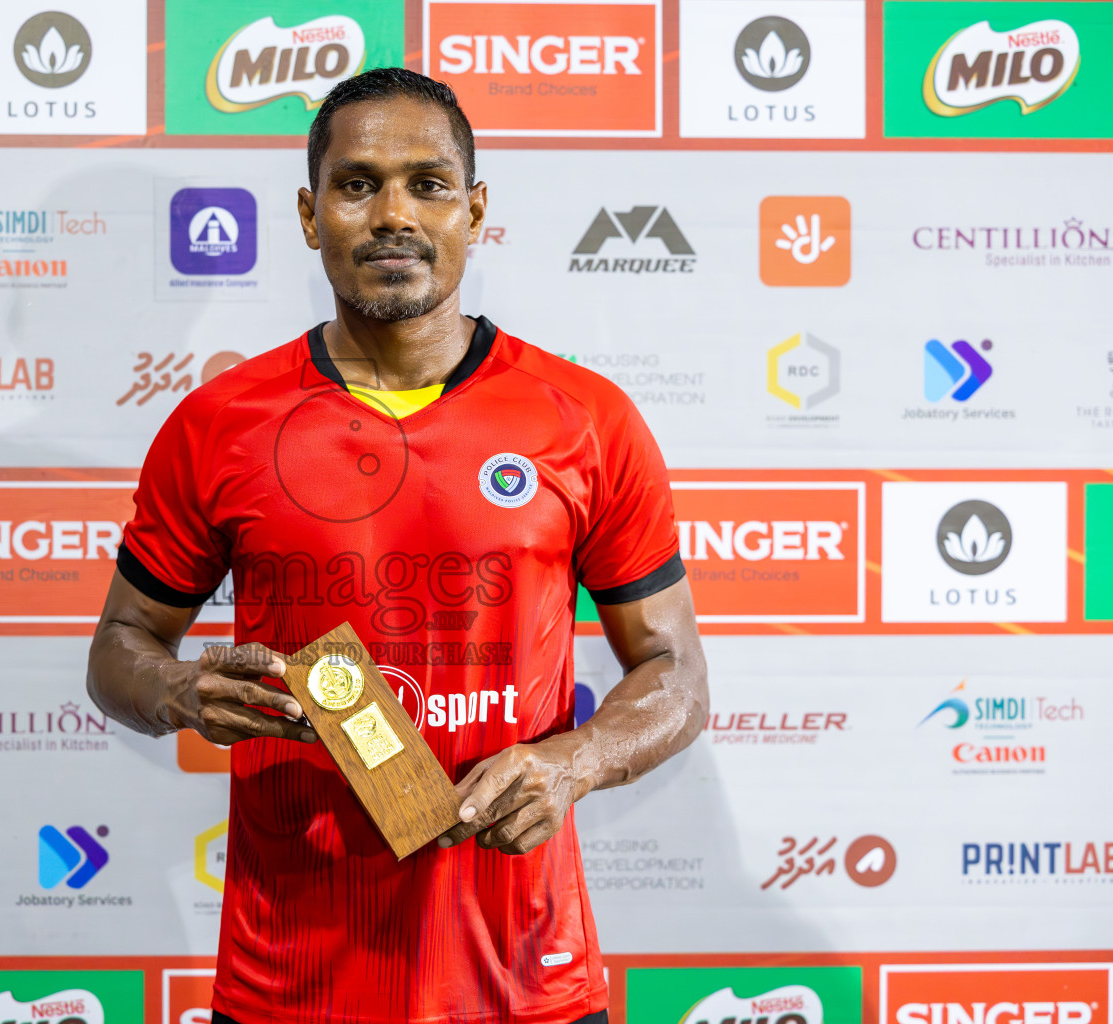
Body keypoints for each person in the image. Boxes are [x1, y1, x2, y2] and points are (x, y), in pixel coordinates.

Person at [87, 67, 708, 1024]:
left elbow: (676, 674)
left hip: (522, 978)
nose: (391, 214)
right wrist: (174, 691)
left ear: (475, 209)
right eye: (355, 183)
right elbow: (118, 649)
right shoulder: (219, 424)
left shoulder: (585, 421)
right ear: (308, 214)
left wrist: (575, 763)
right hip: (291, 983)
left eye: (427, 183)